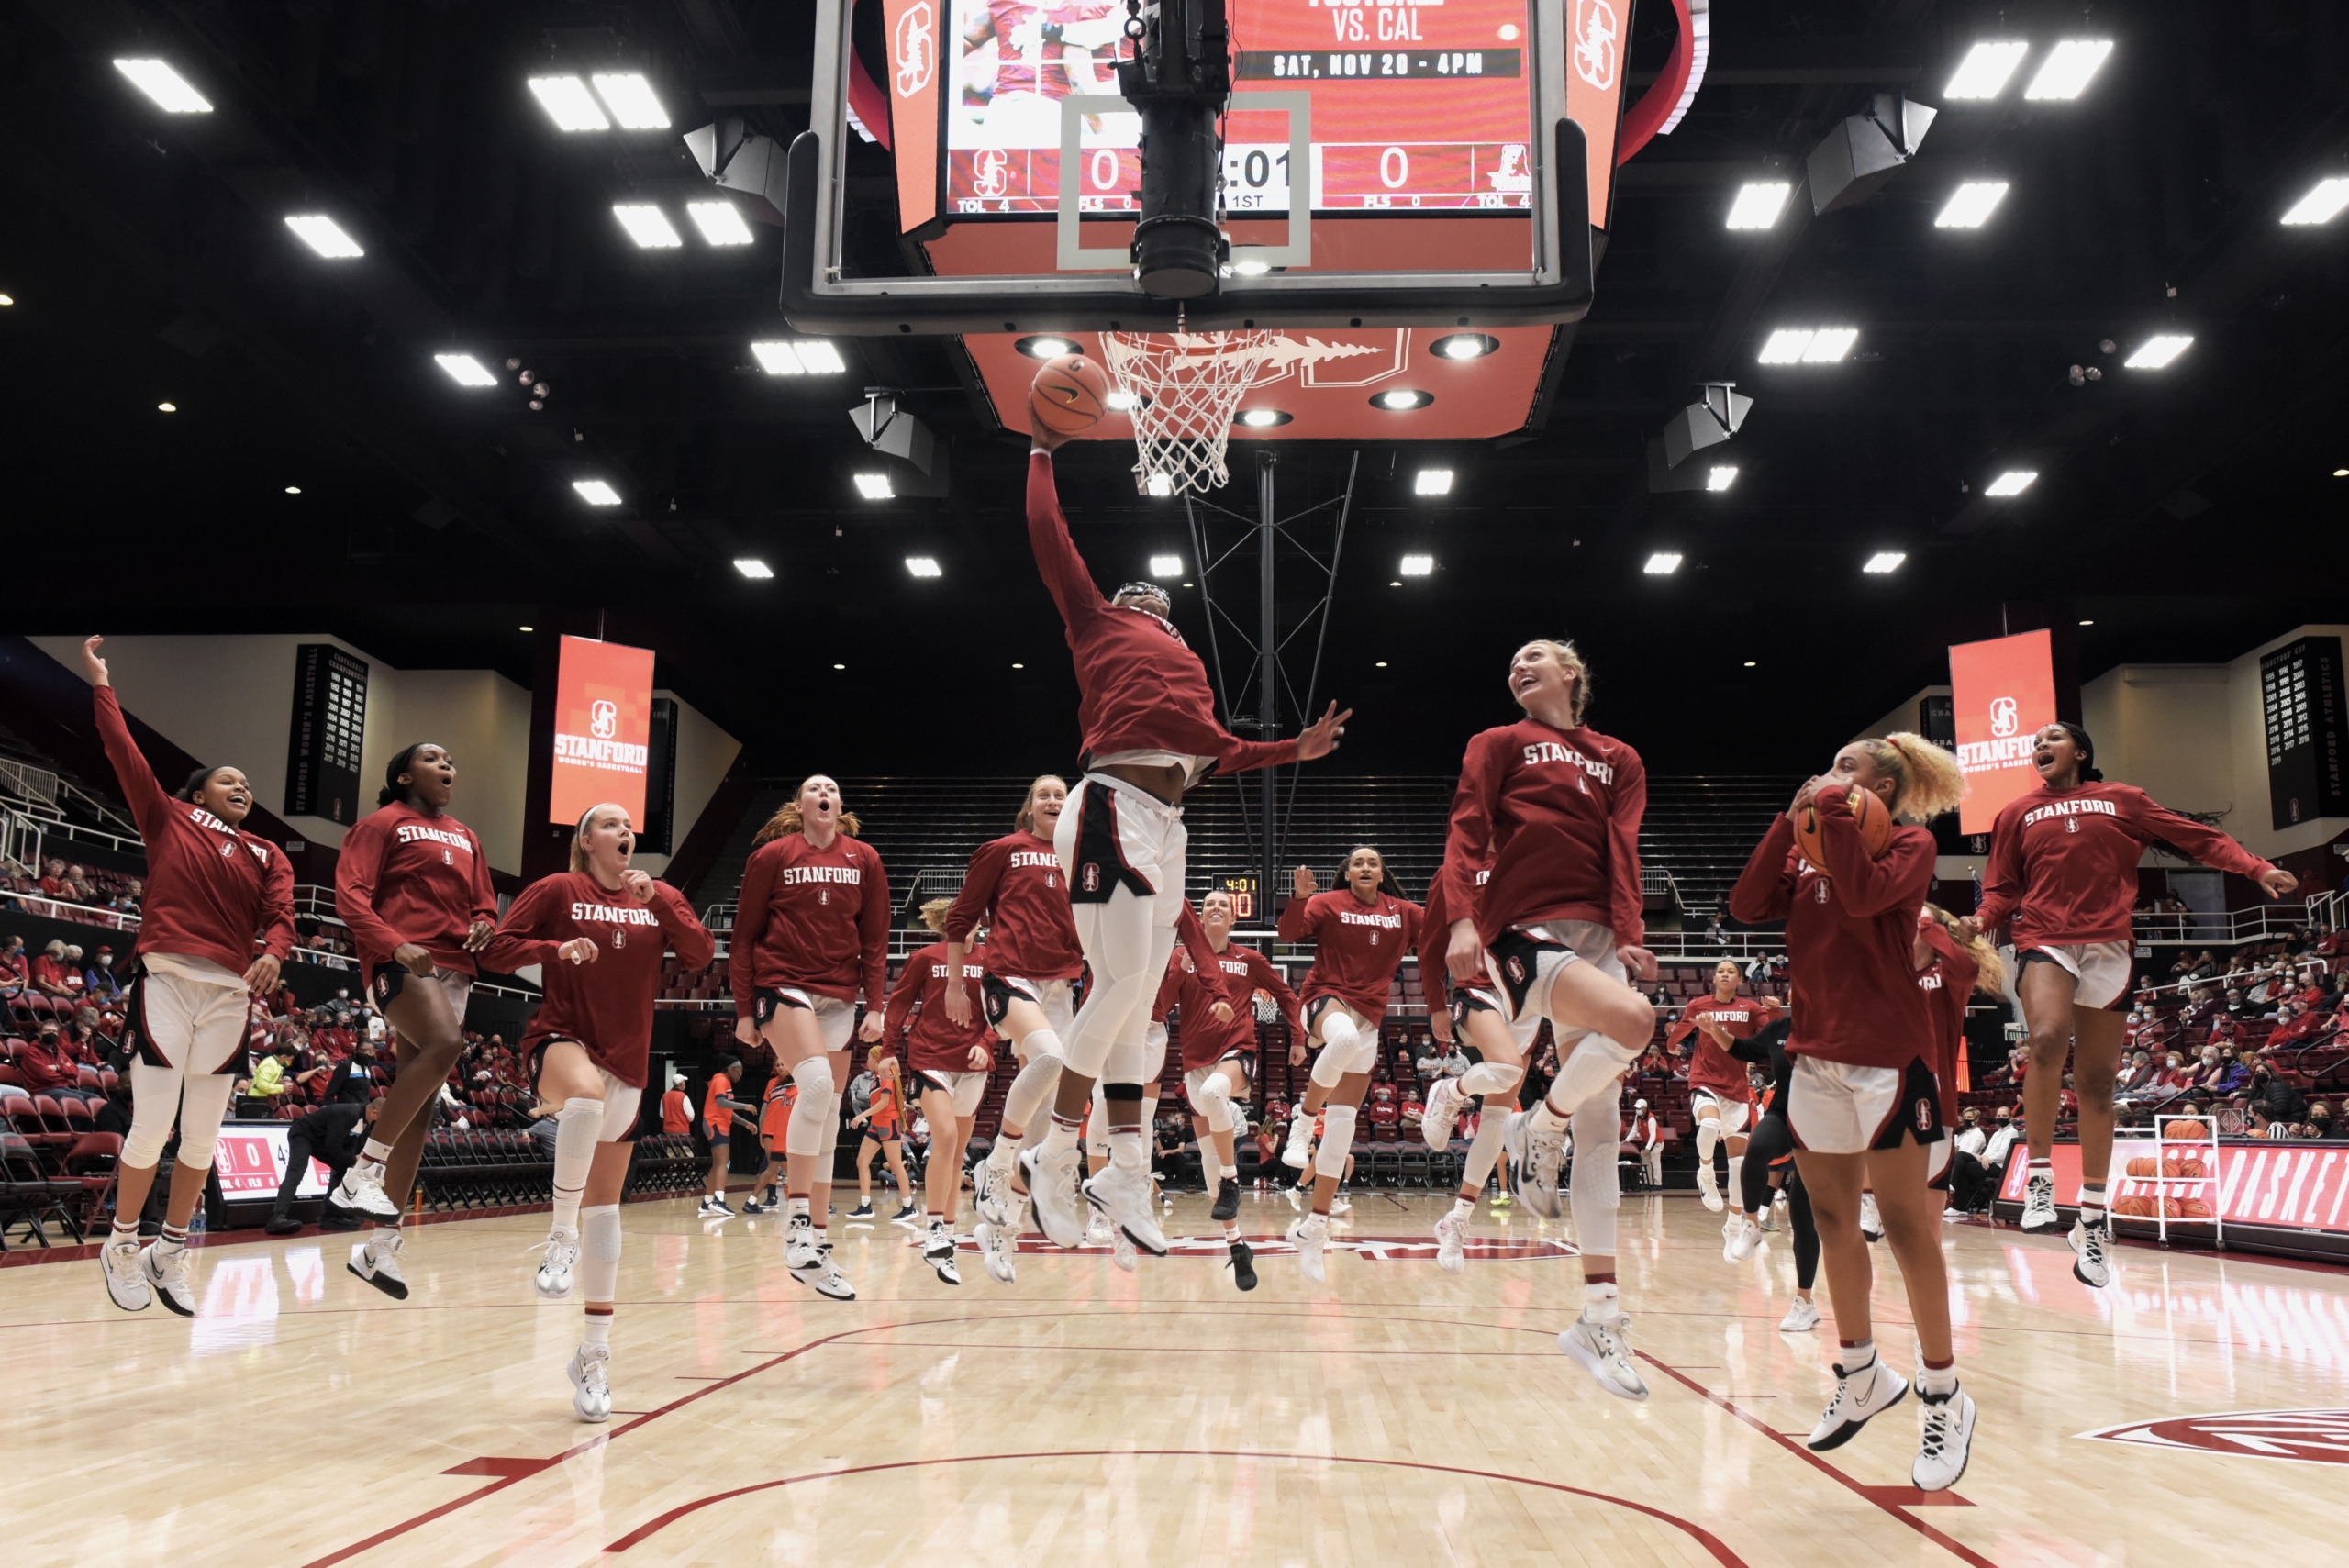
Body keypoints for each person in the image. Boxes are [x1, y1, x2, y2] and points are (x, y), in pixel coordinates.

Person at [1020, 418, 1348, 1260]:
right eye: (1139, 594)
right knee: (1126, 980)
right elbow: (1048, 536)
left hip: (1170, 822)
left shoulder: (1191, 667)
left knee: (1132, 999)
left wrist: (1294, 748)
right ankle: (1052, 1152)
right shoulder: (1096, 621)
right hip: (1110, 804)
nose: (1148, 598)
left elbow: (1222, 753)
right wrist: (1043, 452)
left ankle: (1125, 1169)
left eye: (1159, 598)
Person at [1959, 721, 2293, 1289]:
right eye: (2035, 741)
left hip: (2110, 945)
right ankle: (2040, 1178)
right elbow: (2002, 888)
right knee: (2043, 1037)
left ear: (2081, 752)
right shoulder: (2015, 813)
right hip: (2043, 937)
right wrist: (1981, 921)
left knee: (2097, 1084)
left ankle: (2090, 1219)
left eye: (2053, 738)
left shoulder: (2122, 801)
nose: (2040, 745)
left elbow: (2195, 837)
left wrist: (2255, 867)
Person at [1730, 729, 1977, 1491]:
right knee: (1833, 1222)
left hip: (1891, 1064)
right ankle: (1862, 1370)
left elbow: (1867, 895)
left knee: (1906, 1228)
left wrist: (1830, 808)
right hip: (1815, 1060)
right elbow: (1744, 905)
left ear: (1883, 788)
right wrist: (1787, 820)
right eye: (1828, 767)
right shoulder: (1810, 854)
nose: (1828, 777)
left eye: (1847, 769)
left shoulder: (1908, 847)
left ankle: (1943, 1392)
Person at [1441, 639, 1657, 1398]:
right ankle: (1543, 1121)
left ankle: (1599, 1315)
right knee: (1635, 1023)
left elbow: (1621, 844)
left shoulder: (1619, 756)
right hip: (1522, 928)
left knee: (1603, 1128)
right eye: (1510, 662)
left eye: (1536, 656)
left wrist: (1630, 932)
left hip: (1597, 931)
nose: (1518, 665)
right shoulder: (1497, 742)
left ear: (1573, 674)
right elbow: (1467, 827)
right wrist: (1461, 916)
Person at [478, 802, 713, 1421]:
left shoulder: (654, 896)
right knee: (582, 1096)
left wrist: (658, 899)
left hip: (630, 1062)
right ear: (585, 840)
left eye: (628, 826)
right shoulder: (559, 887)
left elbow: (699, 953)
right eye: (609, 824)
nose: (624, 832)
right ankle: (559, 1237)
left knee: (608, 1216)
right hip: (561, 1039)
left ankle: (595, 1356)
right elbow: (497, 951)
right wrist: (554, 949)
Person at [83, 637, 295, 1318]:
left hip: (231, 994)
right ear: (198, 789)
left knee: (204, 1137)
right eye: (229, 779)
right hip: (169, 978)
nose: (243, 788)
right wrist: (102, 685)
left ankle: (169, 1249)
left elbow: (282, 915)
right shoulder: (168, 816)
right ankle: (120, 1242)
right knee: (151, 1126)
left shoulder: (267, 851)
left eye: (248, 785)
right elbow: (122, 750)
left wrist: (276, 952)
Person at [329, 739, 500, 1299]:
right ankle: (363, 1169)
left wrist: (484, 922)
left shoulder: (467, 834)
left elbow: (484, 902)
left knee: (420, 1113)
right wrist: (392, 942)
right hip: (403, 958)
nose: (446, 764)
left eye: (451, 758)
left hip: (455, 966)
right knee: (447, 1045)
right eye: (431, 758)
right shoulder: (382, 824)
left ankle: (380, 1247)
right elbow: (349, 897)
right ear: (403, 776)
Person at [730, 776, 891, 1301]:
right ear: (799, 806)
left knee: (828, 1118)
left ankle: (817, 1246)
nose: (823, 792)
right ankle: (794, 1217)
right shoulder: (773, 856)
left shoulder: (863, 858)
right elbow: (744, 938)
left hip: (840, 994)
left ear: (840, 806)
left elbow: (875, 937)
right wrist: (742, 1011)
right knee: (817, 1088)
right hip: (782, 983)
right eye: (813, 788)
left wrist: (876, 1006)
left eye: (832, 788)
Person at [945, 776, 1087, 1284]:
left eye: (1062, 795)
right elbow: (960, 917)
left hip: (1062, 986)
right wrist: (956, 985)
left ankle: (1000, 1235)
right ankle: (994, 1165)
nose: (1054, 800)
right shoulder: (1003, 849)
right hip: (1009, 974)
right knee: (1049, 1059)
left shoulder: (1081, 857)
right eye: (1044, 794)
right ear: (1029, 808)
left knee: (1046, 1127)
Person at [1275, 849, 1420, 1281]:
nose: (1365, 867)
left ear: (1382, 873)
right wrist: (1299, 898)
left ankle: (1316, 1227)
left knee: (1342, 1128)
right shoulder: (1329, 902)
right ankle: (1303, 1123)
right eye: (1358, 862)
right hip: (1325, 1000)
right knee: (1342, 1038)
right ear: (1346, 873)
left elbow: (1447, 925)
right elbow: (1287, 935)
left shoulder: (1403, 912)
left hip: (1370, 1015)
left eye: (1373, 862)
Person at [1173, 889, 1297, 1287]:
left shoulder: (1250, 959)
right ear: (1200, 916)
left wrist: (1297, 1037)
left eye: (1222, 905)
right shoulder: (1180, 959)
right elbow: (1159, 1006)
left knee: (1213, 1094)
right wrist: (1178, 967)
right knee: (1210, 1173)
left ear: (1233, 919)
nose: (1214, 908)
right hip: (1194, 1061)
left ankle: (1232, 1176)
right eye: (1208, 904)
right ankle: (1237, 1246)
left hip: (1236, 1054)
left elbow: (1285, 994)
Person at [883, 899, 997, 1285]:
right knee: (944, 1137)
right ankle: (933, 1228)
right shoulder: (924, 958)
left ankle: (946, 1237)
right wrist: (886, 1051)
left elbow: (1000, 1011)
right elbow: (897, 1006)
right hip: (930, 1057)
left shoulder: (991, 959)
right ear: (942, 924)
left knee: (955, 1154)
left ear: (978, 921)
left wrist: (987, 1041)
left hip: (973, 1065)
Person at [1718, 1014, 1823, 1329]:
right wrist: (1713, 1031)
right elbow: (1745, 1049)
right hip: (1782, 1114)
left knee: (1802, 1216)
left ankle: (1805, 1303)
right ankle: (1750, 1226)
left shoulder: (1838, 1025)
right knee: (1757, 1148)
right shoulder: (1781, 1028)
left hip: (1822, 1126)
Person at [1665, 958, 1782, 1223]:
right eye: (1720, 971)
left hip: (1737, 1088)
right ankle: (1706, 1174)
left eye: (1731, 972)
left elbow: (1773, 1035)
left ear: (1740, 980)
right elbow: (1683, 1026)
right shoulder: (1699, 1005)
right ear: (1714, 979)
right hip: (1704, 1079)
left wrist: (1774, 1011)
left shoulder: (1751, 1009)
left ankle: (1732, 1227)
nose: (1725, 974)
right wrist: (1673, 1043)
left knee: (1738, 1164)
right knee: (1708, 1123)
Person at [265, 1097, 381, 1235]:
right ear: (375, 1113)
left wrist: (353, 1161)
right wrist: (352, 1158)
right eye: (380, 1118)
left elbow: (351, 1145)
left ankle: (331, 1217)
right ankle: (276, 1218)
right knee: (296, 1173)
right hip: (304, 1134)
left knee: (345, 1168)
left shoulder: (365, 1121)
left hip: (322, 1139)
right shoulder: (348, 1113)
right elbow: (333, 1145)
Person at [844, 1052, 917, 1221]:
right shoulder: (876, 1077)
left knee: (896, 1165)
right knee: (862, 1161)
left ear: (876, 1060)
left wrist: (861, 1116)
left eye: (869, 1057)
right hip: (876, 1125)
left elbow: (884, 1102)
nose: (866, 1060)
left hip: (888, 1123)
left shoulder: (886, 1075)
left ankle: (909, 1206)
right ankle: (865, 1206)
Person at [696, 1058, 753, 1218]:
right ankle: (718, 1200)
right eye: (739, 1071)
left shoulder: (722, 1082)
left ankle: (707, 1202)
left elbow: (727, 1110)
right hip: (715, 1123)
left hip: (717, 1122)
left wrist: (745, 1123)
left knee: (717, 1164)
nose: (740, 1075)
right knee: (724, 1162)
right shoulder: (720, 1080)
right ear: (730, 1069)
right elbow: (721, 1102)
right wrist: (745, 1106)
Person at [1631, 1098, 1663, 1189]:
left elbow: (1653, 1135)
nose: (1637, 1110)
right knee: (1645, 1161)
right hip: (1647, 1142)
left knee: (1655, 1162)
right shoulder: (1637, 1117)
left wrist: (1648, 1149)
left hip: (1657, 1143)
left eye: (1639, 1108)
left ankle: (1658, 1184)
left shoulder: (1651, 1118)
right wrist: (1626, 1140)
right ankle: (1647, 1182)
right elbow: (1634, 1129)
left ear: (1644, 1108)